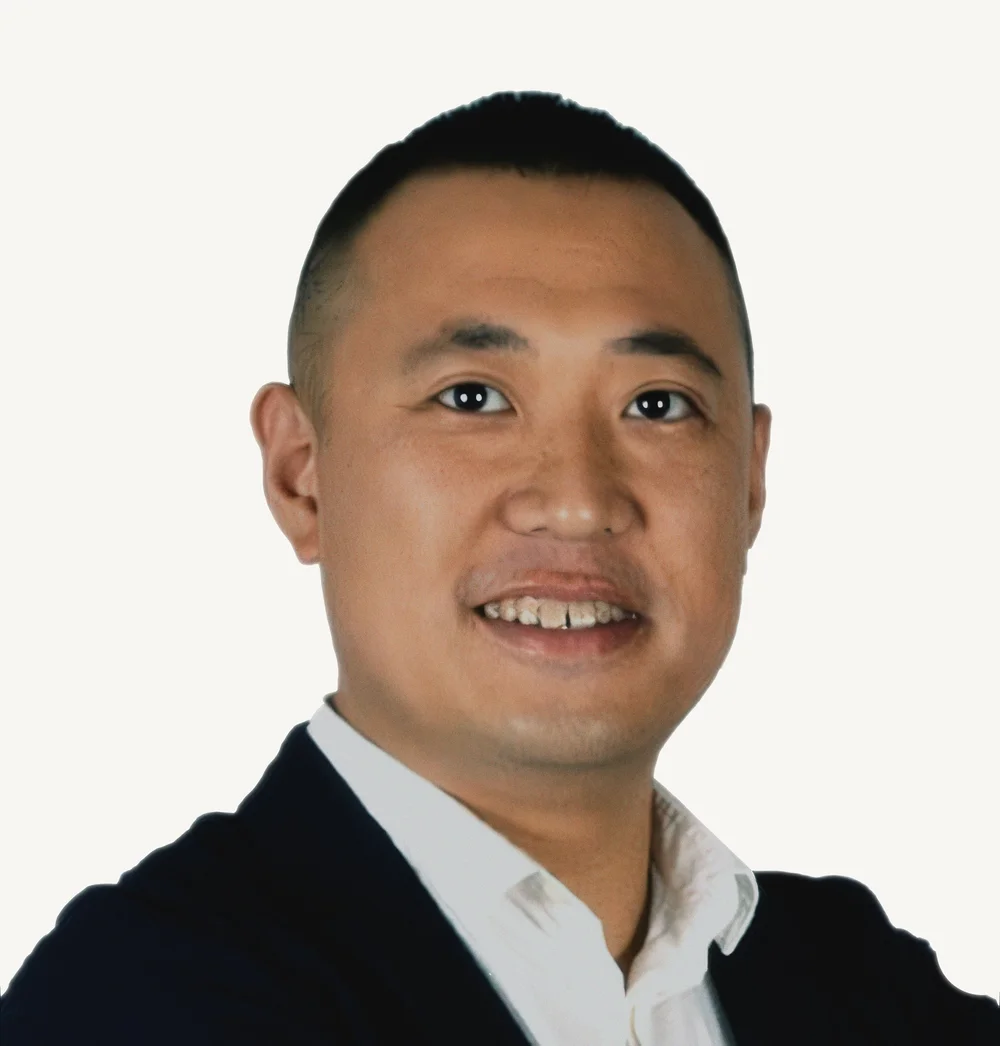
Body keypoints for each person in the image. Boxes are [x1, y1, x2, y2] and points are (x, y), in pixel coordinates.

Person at [2, 91, 996, 1045]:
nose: (575, 498)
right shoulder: (140, 997)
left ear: (748, 485)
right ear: (301, 474)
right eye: (472, 396)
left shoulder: (855, 984)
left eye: (656, 405)